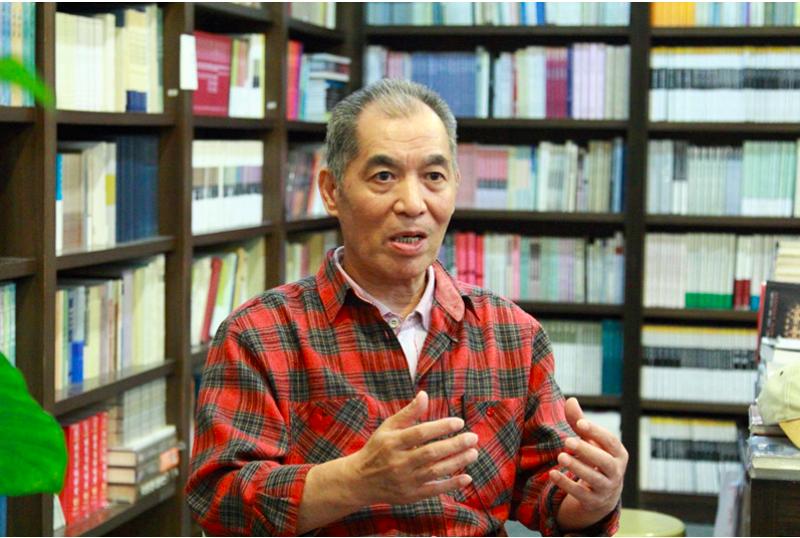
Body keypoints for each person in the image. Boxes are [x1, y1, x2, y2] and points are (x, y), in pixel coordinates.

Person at [186, 79, 627, 536]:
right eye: (384, 177)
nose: (413, 204)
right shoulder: (259, 334)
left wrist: (593, 498)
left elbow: (547, 490)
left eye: (433, 177)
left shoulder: (512, 334)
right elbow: (219, 503)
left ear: (455, 186)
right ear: (332, 191)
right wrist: (356, 481)